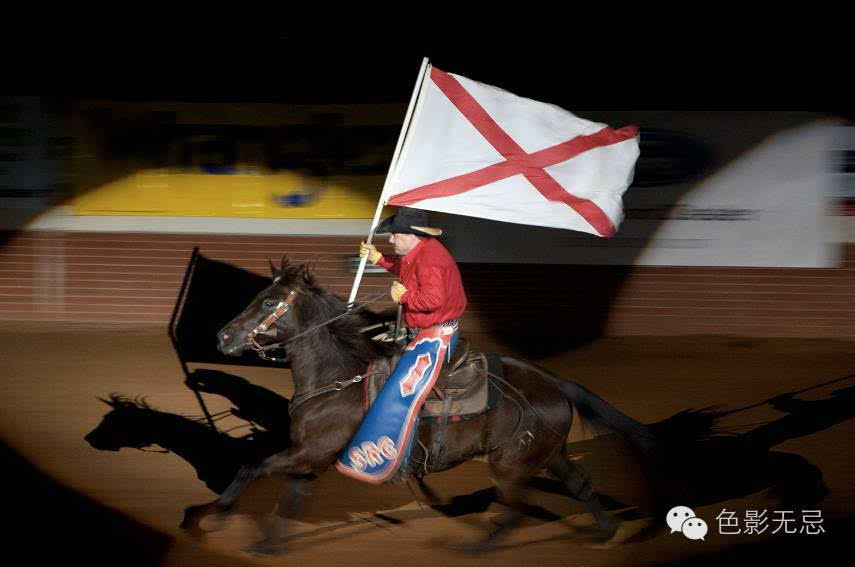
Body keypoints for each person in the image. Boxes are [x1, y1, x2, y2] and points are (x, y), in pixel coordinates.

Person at [336, 207, 467, 484]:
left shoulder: (431, 259)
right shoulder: (418, 251)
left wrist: (406, 297)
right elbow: (404, 267)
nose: (392, 240)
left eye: (395, 235)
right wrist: (380, 258)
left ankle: (401, 459)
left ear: (412, 235)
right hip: (420, 329)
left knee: (401, 390)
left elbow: (432, 299)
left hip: (436, 335)